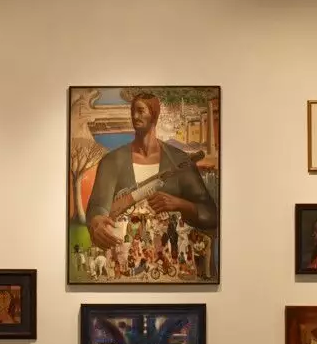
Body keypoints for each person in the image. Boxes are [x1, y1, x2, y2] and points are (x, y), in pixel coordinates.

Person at [84, 94, 217, 256]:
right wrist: (96, 222)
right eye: (133, 111)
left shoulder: (180, 161)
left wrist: (180, 204)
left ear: (154, 115)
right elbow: (97, 206)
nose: (135, 116)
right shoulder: (111, 161)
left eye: (141, 111)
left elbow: (210, 214)